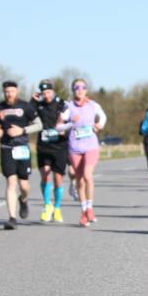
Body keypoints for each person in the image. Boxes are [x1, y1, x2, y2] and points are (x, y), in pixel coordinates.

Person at [58, 78, 106, 227]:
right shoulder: (68, 107)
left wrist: (99, 124)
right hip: (75, 148)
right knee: (79, 180)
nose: (80, 90)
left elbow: (103, 116)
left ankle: (90, 208)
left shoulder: (93, 105)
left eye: (83, 87)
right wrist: (71, 123)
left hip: (91, 146)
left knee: (87, 175)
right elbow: (58, 127)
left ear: (86, 90)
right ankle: (84, 212)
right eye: (77, 87)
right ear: (73, 90)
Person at [0, 80, 41, 230]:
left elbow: (39, 125)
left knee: (24, 186)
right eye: (7, 91)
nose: (9, 94)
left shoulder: (26, 106)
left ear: (17, 91)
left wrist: (22, 130)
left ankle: (23, 199)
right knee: (11, 183)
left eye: (12, 91)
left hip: (22, 148)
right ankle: (12, 218)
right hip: (6, 147)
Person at [32, 80, 68, 222]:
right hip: (43, 146)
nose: (46, 95)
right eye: (44, 93)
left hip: (59, 146)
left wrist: (64, 130)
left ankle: (57, 208)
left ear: (53, 91)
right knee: (45, 175)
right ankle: (47, 205)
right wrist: (32, 101)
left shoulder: (62, 104)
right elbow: (27, 114)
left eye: (48, 92)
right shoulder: (38, 105)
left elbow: (72, 120)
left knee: (58, 179)